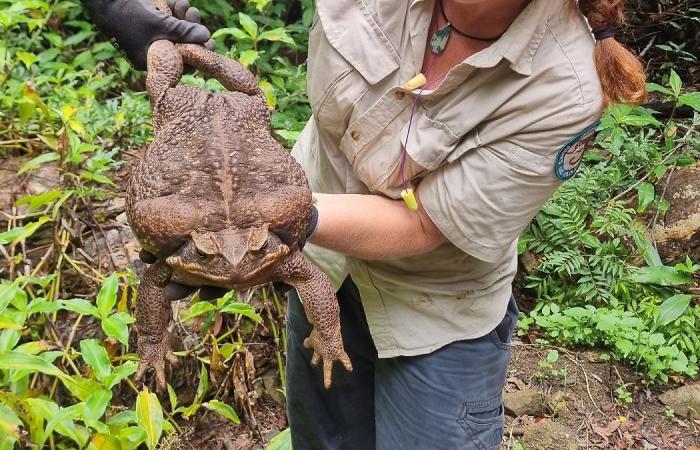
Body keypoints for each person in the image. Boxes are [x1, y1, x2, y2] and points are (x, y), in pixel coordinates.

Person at [83, 0, 646, 448]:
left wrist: (273, 228)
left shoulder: (566, 85)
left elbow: (427, 225)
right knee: (323, 438)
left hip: (433, 309)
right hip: (320, 267)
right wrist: (136, 10)